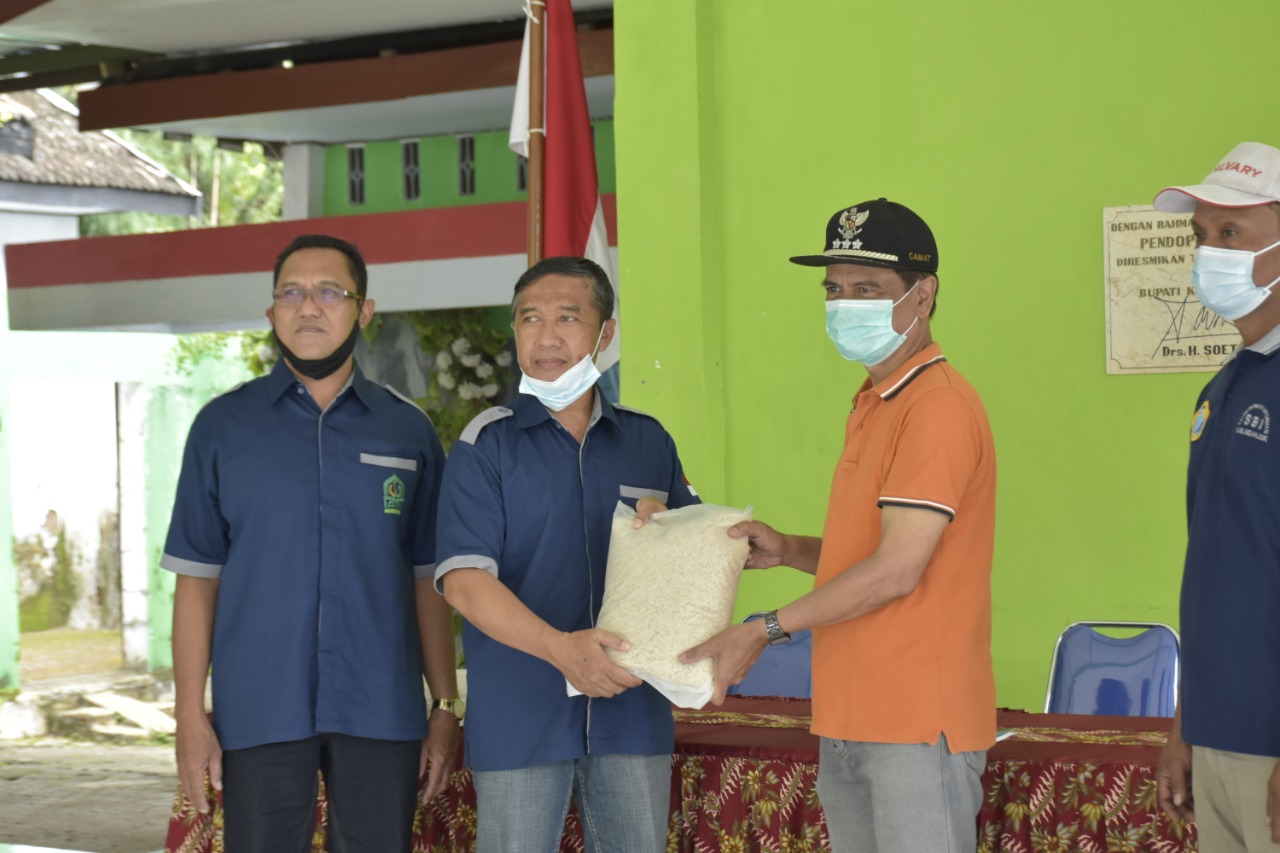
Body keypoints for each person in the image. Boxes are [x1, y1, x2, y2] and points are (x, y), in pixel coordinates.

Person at [682, 199, 997, 853]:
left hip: (917, 719)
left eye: (867, 289)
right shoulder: (875, 402)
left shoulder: (936, 406)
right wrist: (791, 549)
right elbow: (878, 552)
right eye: (834, 290)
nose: (844, 304)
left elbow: (898, 570)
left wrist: (764, 628)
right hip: (851, 714)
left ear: (923, 294)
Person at [164, 234, 460, 852]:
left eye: (329, 292)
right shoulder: (221, 428)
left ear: (364, 311)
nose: (307, 307)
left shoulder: (407, 430)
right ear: (271, 312)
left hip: (381, 707)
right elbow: (196, 579)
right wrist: (188, 713)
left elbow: (428, 578)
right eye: (291, 293)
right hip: (259, 707)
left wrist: (443, 704)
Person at [435, 255, 699, 853]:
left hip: (631, 711)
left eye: (568, 318)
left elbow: (692, 560)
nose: (547, 337)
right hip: (521, 715)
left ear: (606, 333)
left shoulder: (647, 440)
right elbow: (464, 582)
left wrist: (686, 533)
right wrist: (560, 650)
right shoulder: (486, 445)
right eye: (530, 319)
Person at [1152, 141, 1280, 851]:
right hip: (1217, 736)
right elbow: (1213, 572)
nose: (1210, 254)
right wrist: (1185, 726)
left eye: (1232, 232)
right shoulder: (1224, 385)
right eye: (1202, 236)